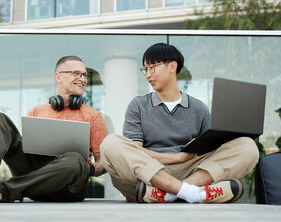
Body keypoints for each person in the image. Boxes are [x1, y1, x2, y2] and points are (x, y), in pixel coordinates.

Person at [100, 43, 259, 204]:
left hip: (191, 171)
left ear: (172, 66)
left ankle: (170, 194)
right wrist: (177, 158)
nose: (148, 74)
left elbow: (209, 152)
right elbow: (136, 152)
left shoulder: (199, 109)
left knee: (247, 146)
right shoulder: (138, 106)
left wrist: (193, 153)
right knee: (110, 143)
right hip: (149, 172)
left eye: (152, 67)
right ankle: (196, 193)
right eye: (145, 69)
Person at [0, 55, 108, 204]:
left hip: (68, 186)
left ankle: (1, 190)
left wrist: (89, 168)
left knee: (75, 160)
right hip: (36, 178)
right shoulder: (37, 111)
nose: (83, 79)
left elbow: (104, 164)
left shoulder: (93, 116)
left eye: (85, 75)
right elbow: (29, 148)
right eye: (76, 73)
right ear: (59, 77)